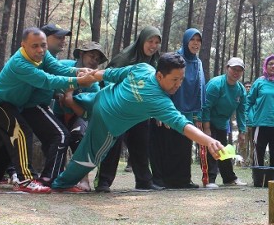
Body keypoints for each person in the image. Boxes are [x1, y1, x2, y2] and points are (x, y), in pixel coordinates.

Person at [51, 53, 224, 191]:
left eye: (181, 79)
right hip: (107, 125)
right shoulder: (160, 100)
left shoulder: (143, 68)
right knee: (87, 158)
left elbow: (109, 75)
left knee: (74, 99)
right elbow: (184, 126)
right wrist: (209, 141)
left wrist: (90, 76)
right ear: (159, 75)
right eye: (174, 79)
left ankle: (52, 177)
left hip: (97, 100)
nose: (178, 84)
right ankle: (60, 184)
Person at [0, 27, 96, 193]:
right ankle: (25, 180)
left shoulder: (43, 56)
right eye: (35, 46)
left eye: (43, 45)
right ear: (23, 45)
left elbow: (57, 68)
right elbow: (47, 80)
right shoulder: (20, 63)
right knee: (20, 131)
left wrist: (78, 71)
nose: (40, 50)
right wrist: (78, 81)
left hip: (10, 103)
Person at [93, 26, 164, 192]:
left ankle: (144, 181)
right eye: (150, 41)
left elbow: (157, 88)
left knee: (141, 143)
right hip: (119, 109)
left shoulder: (155, 62)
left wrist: (158, 111)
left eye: (156, 43)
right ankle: (103, 181)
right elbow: (107, 78)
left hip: (140, 112)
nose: (153, 46)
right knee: (113, 144)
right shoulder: (126, 58)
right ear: (142, 41)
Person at [19, 24, 74, 187]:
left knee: (54, 138)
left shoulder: (48, 59)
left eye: (64, 37)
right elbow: (48, 80)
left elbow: (57, 73)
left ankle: (48, 176)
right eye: (58, 37)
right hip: (31, 106)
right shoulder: (33, 58)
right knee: (61, 136)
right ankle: (49, 178)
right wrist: (79, 77)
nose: (63, 40)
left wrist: (57, 94)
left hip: (38, 105)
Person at [52, 41, 107, 190]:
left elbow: (89, 111)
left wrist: (70, 101)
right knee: (57, 140)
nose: (94, 61)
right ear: (82, 54)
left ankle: (83, 179)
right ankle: (56, 175)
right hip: (58, 112)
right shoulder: (63, 66)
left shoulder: (94, 81)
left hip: (78, 115)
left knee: (79, 138)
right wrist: (58, 94)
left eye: (97, 59)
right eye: (92, 56)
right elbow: (47, 81)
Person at [155, 28, 206, 189]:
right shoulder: (175, 59)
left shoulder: (198, 63)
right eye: (193, 40)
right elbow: (163, 83)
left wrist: (198, 114)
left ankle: (183, 180)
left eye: (198, 40)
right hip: (171, 107)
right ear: (186, 41)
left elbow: (200, 88)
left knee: (185, 146)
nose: (196, 43)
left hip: (189, 110)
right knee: (169, 144)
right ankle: (166, 180)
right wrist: (160, 111)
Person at [201, 57, 248, 188]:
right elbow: (206, 107)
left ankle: (229, 178)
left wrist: (242, 131)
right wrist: (206, 127)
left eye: (239, 70)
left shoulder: (240, 90)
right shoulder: (216, 84)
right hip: (209, 121)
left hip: (222, 123)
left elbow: (241, 112)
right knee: (212, 149)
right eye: (234, 69)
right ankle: (210, 180)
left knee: (225, 151)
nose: (236, 72)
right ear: (227, 68)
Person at [247, 54, 274, 180]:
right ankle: (258, 177)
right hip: (260, 123)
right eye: (270, 64)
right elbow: (249, 102)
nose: (273, 66)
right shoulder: (259, 82)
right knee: (258, 151)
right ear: (265, 66)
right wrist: (250, 118)